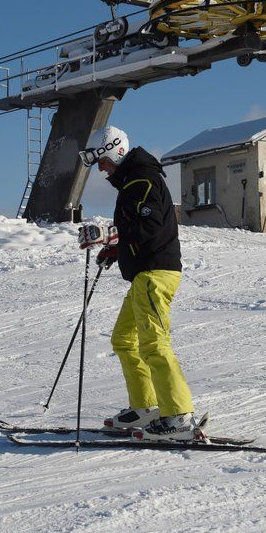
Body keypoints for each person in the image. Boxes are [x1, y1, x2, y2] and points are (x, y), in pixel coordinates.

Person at [77, 126, 200, 441]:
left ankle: (179, 415)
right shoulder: (132, 182)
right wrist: (115, 249)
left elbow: (149, 224)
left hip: (155, 274)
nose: (100, 168)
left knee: (154, 344)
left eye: (101, 160)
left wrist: (110, 235)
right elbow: (138, 230)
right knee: (123, 340)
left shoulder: (142, 180)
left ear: (115, 150)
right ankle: (146, 407)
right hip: (143, 275)